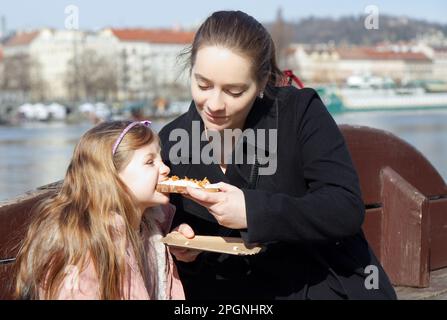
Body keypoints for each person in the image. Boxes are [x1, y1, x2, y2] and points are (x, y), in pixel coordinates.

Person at [159, 10, 397, 299]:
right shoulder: (171, 141)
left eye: (234, 91)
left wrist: (253, 211)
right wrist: (185, 247)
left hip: (319, 283)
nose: (214, 104)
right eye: (203, 84)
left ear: (261, 83)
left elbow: (344, 207)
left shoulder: (299, 111)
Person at [14, 120, 184, 300]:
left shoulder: (151, 231)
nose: (166, 168)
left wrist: (177, 244)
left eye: (160, 158)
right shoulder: (87, 250)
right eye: (150, 162)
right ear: (111, 176)